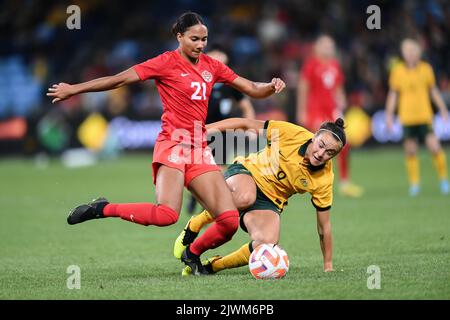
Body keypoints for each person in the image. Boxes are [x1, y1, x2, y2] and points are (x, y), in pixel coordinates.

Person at [47, 11, 286, 275]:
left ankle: (191, 254)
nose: (200, 44)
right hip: (173, 144)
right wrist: (74, 89)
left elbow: (251, 87)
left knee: (228, 222)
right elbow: (118, 79)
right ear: (179, 36)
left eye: (204, 39)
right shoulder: (165, 62)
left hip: (198, 148)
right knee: (166, 215)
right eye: (194, 39)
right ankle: (101, 209)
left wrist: (271, 86)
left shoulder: (212, 66)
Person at [174, 117, 347, 275]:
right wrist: (204, 131)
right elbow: (246, 124)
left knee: (267, 241)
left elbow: (324, 227)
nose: (321, 153)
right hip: (247, 172)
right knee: (245, 197)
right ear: (314, 136)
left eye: (329, 153)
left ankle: (211, 266)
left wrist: (328, 265)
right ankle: (195, 224)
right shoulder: (293, 134)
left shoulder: (324, 179)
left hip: (270, 200)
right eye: (321, 145)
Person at [186, 44, 256, 214]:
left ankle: (209, 201)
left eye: (223, 58)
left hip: (221, 133)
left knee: (218, 168)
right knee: (200, 167)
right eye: (217, 55)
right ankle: (199, 195)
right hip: (198, 130)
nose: (220, 60)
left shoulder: (228, 83)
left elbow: (246, 105)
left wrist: (251, 127)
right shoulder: (196, 78)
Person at [296, 34, 363, 198]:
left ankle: (345, 182)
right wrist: (301, 111)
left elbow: (338, 88)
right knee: (318, 145)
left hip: (332, 110)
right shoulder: (311, 65)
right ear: (317, 47)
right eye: (324, 45)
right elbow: (303, 88)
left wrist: (341, 101)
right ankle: (306, 179)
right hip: (316, 110)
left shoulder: (335, 65)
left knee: (343, 145)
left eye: (330, 46)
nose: (327, 48)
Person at [385, 38, 449, 196]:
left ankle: (443, 180)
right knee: (410, 151)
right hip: (407, 117)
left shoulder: (426, 69)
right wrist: (389, 115)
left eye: (413, 50)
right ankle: (414, 184)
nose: (410, 53)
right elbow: (393, 94)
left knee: (434, 147)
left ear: (418, 52)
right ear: (403, 53)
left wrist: (442, 109)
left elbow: (433, 90)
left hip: (424, 116)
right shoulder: (397, 71)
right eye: (407, 51)